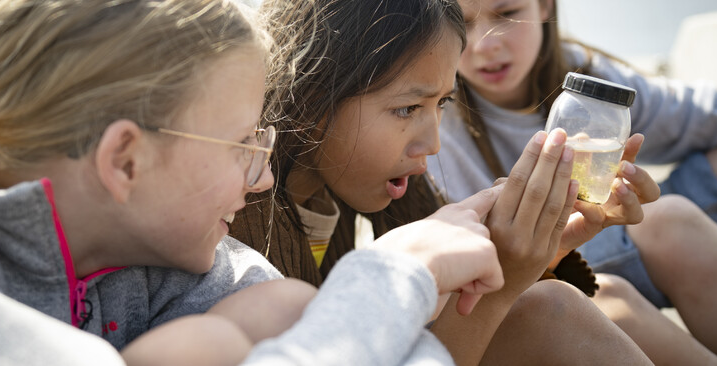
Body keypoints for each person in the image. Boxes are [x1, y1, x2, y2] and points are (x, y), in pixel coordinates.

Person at [0, 0, 521, 365]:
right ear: (125, 161)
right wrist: (391, 276)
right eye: (240, 145)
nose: (258, 180)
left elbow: (321, 324)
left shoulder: (164, 255)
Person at [230, 0, 654, 364]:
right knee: (553, 308)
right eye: (407, 108)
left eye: (442, 103)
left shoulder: (375, 188)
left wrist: (543, 246)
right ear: (313, 94)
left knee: (610, 297)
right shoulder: (236, 224)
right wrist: (495, 288)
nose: (432, 144)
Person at [427, 0, 717, 364]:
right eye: (462, 23)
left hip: (580, 247)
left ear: (544, 7)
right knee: (610, 301)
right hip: (513, 286)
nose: (484, 45)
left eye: (507, 15)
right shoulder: (434, 119)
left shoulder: (590, 80)